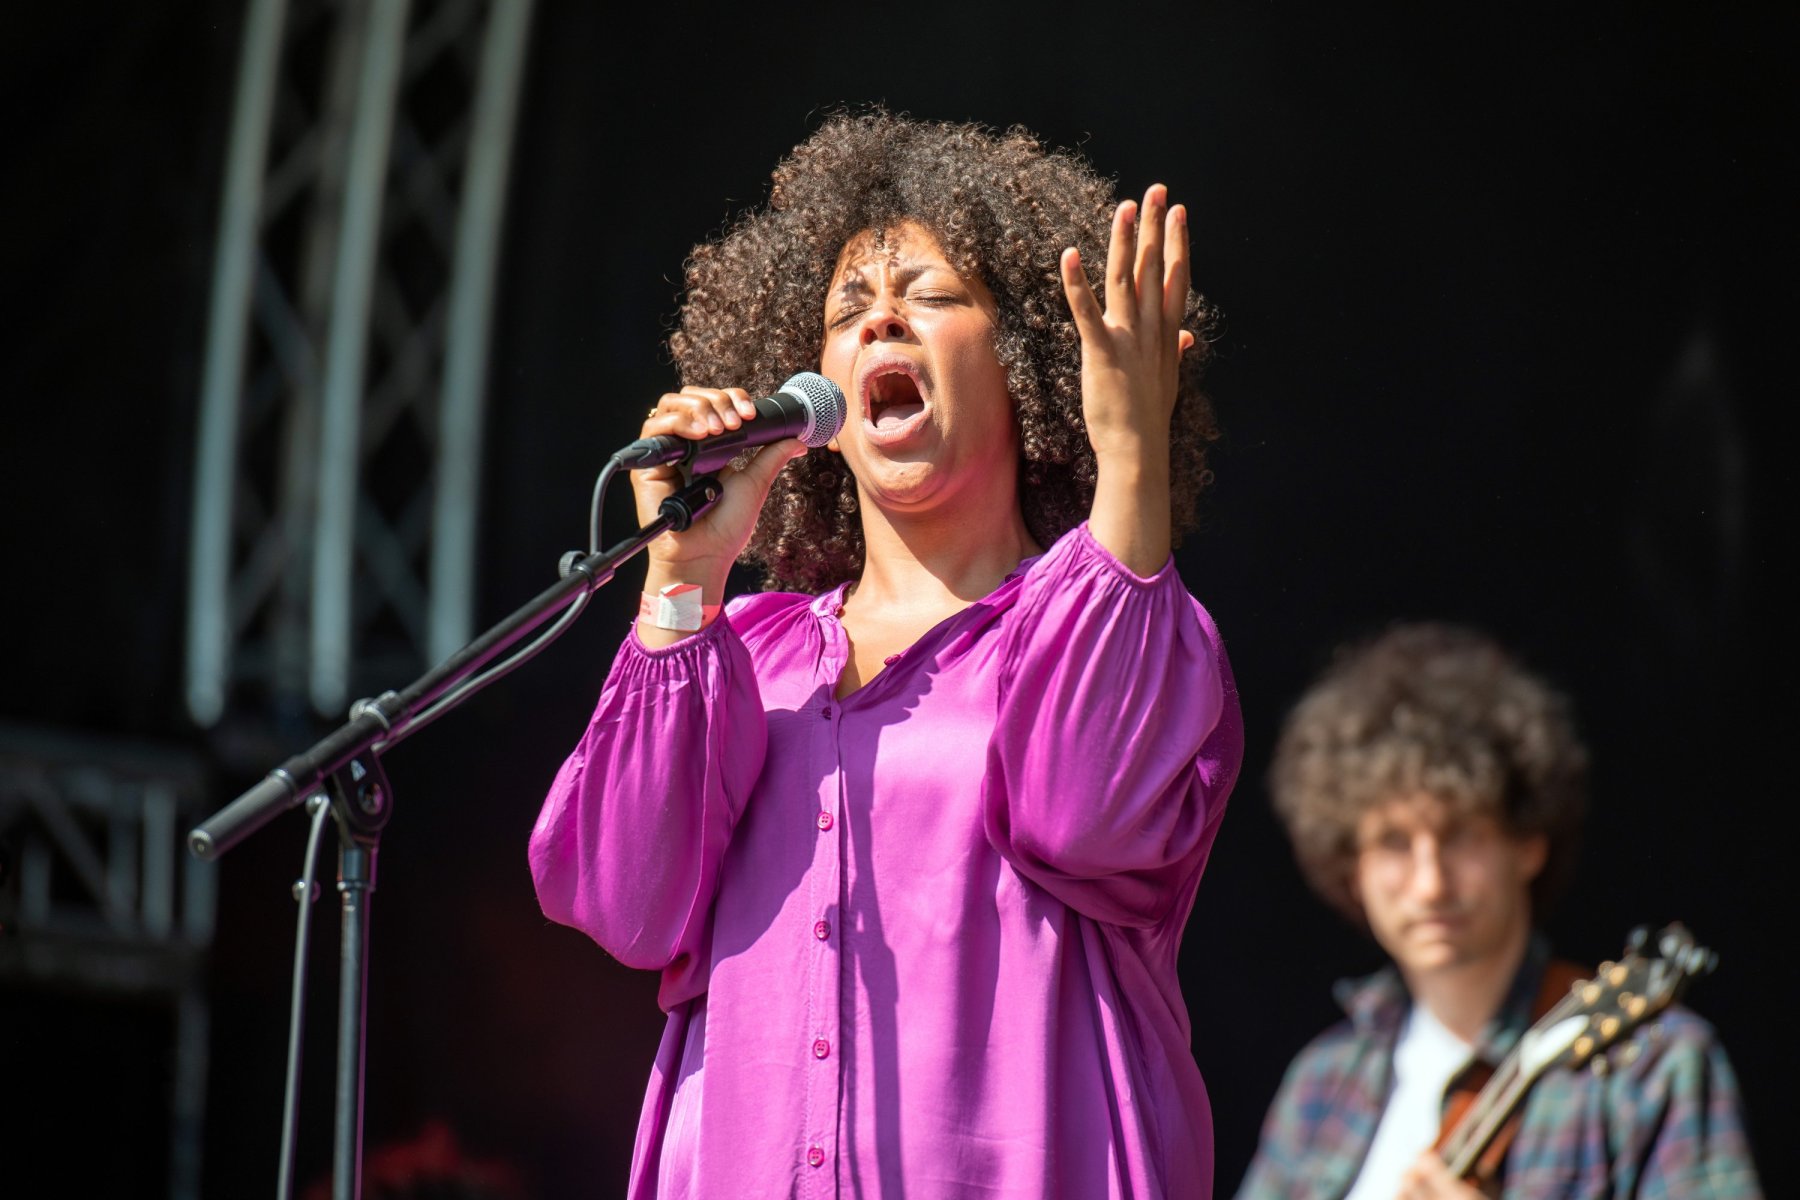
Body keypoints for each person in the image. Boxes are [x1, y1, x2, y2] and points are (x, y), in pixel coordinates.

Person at [528, 108, 1243, 1198]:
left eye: (933, 296)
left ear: (1026, 364)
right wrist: (683, 572)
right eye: (847, 308)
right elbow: (626, 900)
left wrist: (1129, 459)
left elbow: (1083, 815)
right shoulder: (747, 651)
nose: (881, 321)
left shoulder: (1113, 626)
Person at [1235, 623, 1761, 1199]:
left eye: (1460, 835)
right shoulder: (1323, 1081)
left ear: (1528, 842)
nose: (1430, 884)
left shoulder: (1652, 1066)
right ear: (1351, 867)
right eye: (1393, 842)